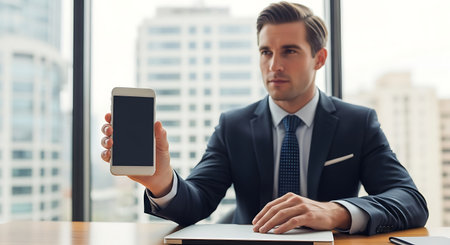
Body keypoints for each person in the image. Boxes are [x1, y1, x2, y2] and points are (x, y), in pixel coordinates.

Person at [101, 1, 428, 235]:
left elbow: (410, 200)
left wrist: (336, 212)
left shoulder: (357, 123)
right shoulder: (234, 126)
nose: (274, 66)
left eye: (289, 51)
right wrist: (161, 181)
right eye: (266, 52)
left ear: (320, 58)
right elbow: (198, 202)